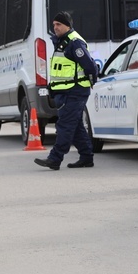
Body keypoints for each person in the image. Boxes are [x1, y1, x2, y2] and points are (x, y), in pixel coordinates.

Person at [34, 12, 98, 170]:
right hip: (66, 92)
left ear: (67, 26)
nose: (55, 27)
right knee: (75, 127)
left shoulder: (74, 42)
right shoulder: (62, 42)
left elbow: (90, 66)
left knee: (65, 126)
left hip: (75, 92)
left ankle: (55, 159)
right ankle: (86, 158)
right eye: (54, 24)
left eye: (59, 25)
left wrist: (90, 83)